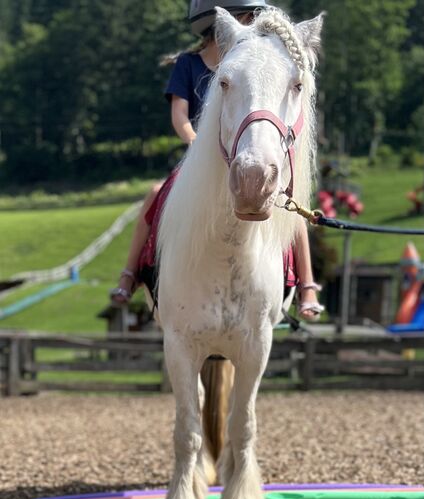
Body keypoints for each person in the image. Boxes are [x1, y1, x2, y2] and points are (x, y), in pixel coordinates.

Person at [110, 0, 324, 320]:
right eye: (247, 17)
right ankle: (131, 272)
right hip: (203, 155)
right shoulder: (189, 63)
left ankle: (305, 282)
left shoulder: (255, 63)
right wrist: (196, 142)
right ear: (219, 22)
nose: (252, 22)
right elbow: (179, 115)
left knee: (289, 204)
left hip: (245, 151)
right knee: (156, 194)